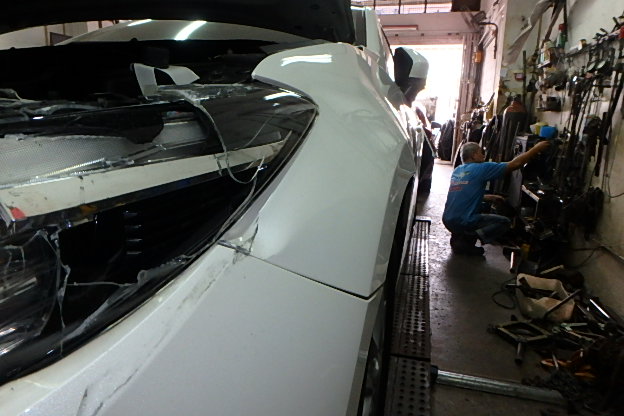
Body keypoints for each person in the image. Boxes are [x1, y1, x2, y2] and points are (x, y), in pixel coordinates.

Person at [442, 140, 550, 255]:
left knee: (482, 207)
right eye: (480, 153)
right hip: (463, 220)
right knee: (504, 222)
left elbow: (463, 193)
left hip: (448, 220)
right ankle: (468, 238)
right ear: (474, 155)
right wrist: (536, 148)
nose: (483, 155)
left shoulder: (458, 170)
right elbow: (515, 164)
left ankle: (458, 236)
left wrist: (488, 197)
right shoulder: (482, 168)